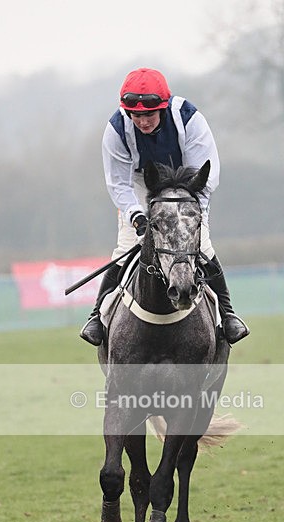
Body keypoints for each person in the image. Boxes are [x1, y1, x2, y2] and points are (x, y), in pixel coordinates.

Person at [80, 67, 250, 346]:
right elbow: (118, 184)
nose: (143, 122)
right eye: (136, 115)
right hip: (141, 185)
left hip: (186, 183)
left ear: (163, 106)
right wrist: (137, 217)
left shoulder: (189, 119)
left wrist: (194, 216)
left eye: (148, 114)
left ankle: (229, 315)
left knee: (203, 246)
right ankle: (97, 316)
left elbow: (204, 175)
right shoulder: (116, 129)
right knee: (124, 248)